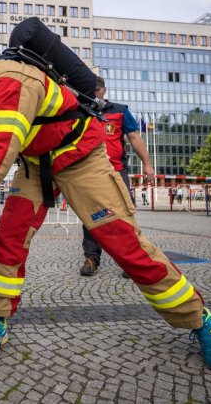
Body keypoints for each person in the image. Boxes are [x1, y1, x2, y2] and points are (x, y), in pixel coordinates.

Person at [0, 24, 211, 371]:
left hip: (80, 158)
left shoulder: (8, 80)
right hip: (35, 165)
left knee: (123, 245)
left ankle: (199, 317)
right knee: (8, 239)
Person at [79, 76, 155, 277]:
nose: (93, 94)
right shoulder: (81, 109)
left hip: (116, 171)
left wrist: (147, 165)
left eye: (96, 90)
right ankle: (91, 258)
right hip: (89, 172)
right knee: (91, 215)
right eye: (89, 90)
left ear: (104, 90)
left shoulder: (120, 111)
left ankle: (130, 260)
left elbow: (134, 137)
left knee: (124, 215)